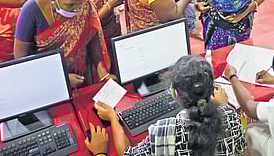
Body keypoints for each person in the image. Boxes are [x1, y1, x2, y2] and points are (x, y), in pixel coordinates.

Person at [87, 55, 247, 156]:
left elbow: (127, 154)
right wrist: (223, 107)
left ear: (176, 93)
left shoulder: (164, 130)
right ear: (212, 90)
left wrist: (114, 119)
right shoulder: (230, 115)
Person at [14, 0, 112, 87]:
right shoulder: (31, 10)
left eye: (79, 5)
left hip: (80, 74)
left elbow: (93, 35)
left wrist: (100, 67)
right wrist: (61, 77)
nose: (77, 10)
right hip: (45, 78)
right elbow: (21, 58)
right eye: (70, 5)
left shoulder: (84, 2)